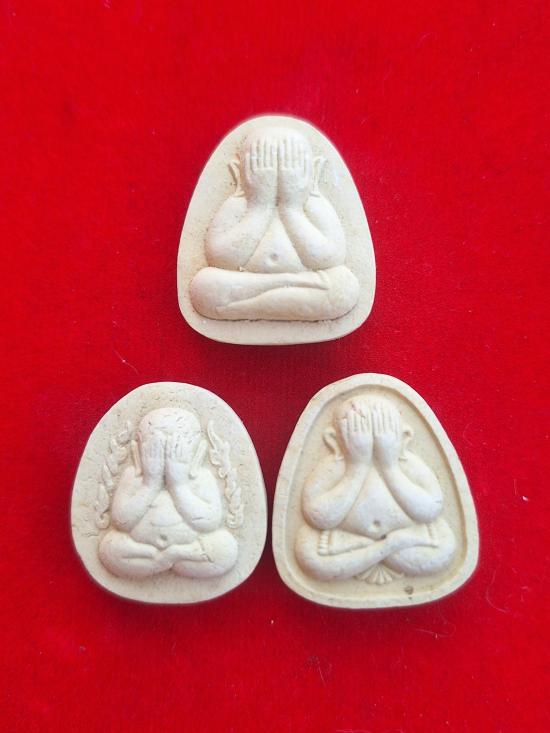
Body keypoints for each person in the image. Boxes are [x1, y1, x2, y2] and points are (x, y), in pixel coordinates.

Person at [190, 126, 359, 321]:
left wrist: (291, 208)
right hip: (261, 284)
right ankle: (281, 295)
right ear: (239, 173)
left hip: (293, 283)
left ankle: (247, 306)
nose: (277, 178)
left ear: (314, 172)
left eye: (292, 167)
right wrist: (260, 207)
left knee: (344, 285)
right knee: (204, 285)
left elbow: (330, 257)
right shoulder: (238, 204)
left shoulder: (314, 204)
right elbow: (220, 258)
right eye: (261, 166)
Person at [295, 397, 456, 583]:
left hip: (353, 546)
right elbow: (318, 517)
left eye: (383, 431)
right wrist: (357, 467)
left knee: (443, 547)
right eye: (359, 431)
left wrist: (389, 467)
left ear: (404, 437)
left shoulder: (408, 464)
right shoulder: (334, 466)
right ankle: (389, 546)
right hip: (373, 539)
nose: (372, 441)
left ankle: (374, 551)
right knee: (308, 551)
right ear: (334, 440)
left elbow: (430, 511)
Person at [99, 408, 238, 579]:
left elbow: (210, 522)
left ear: (198, 453)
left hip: (188, 549)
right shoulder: (132, 476)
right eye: (154, 450)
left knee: (226, 546)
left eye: (177, 451)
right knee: (109, 546)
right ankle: (157, 560)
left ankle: (175, 555)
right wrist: (150, 484)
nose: (166, 459)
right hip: (140, 548)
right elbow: (121, 522)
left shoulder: (202, 477)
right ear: (138, 451)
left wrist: (178, 485)